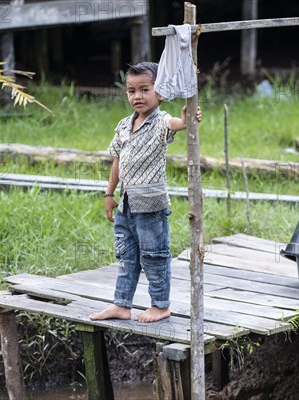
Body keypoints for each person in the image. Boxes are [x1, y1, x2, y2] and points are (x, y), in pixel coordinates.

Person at [89, 61, 201, 323]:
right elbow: (116, 160)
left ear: (159, 92)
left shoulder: (161, 121)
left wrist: (187, 119)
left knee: (154, 255)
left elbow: (178, 123)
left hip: (150, 205)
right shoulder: (123, 125)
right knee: (126, 254)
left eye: (145, 89)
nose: (137, 96)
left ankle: (160, 305)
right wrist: (109, 194)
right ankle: (122, 304)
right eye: (131, 90)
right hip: (126, 204)